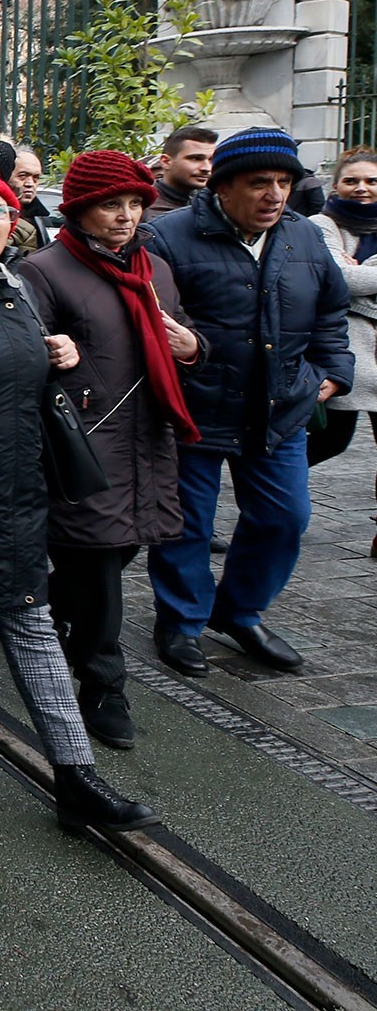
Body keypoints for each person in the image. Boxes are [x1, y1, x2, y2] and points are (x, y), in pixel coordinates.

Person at [0, 165, 158, 830]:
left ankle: (76, 778)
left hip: (17, 490)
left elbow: (25, 371)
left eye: (0, 209)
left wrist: (58, 351)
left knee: (30, 621)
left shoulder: (17, 287)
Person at [147, 128, 353, 675]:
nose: (275, 195)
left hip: (278, 408)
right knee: (186, 522)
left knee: (284, 518)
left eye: (284, 182)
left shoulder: (303, 237)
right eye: (260, 183)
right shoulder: (168, 237)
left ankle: (239, 612)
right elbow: (149, 320)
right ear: (224, 186)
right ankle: (181, 621)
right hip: (196, 407)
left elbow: (330, 314)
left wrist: (333, 372)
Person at [17, 150, 202, 747]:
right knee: (99, 567)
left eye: (133, 204)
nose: (125, 216)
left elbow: (182, 336)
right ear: (78, 209)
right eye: (110, 205)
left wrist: (192, 347)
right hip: (84, 443)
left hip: (148, 439)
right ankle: (102, 682)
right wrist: (51, 355)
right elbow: (24, 353)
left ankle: (39, 609)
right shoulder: (45, 270)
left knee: (116, 555)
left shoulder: (156, 270)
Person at [307, 151, 377, 536]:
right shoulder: (321, 224)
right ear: (336, 186)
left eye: (371, 181)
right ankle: (268, 489)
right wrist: (353, 278)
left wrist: (362, 271)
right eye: (352, 181)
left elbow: (353, 282)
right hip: (349, 350)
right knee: (331, 439)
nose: (362, 188)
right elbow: (339, 281)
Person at [148, 125, 217, 219]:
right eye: (195, 159)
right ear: (166, 162)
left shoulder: (215, 204)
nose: (206, 168)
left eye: (211, 159)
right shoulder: (143, 207)